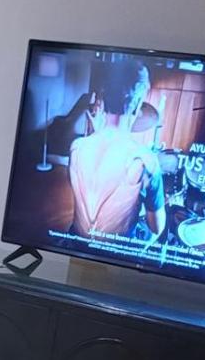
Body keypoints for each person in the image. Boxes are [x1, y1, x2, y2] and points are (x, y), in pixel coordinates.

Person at [67, 60, 168, 244]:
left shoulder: (77, 147)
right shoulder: (147, 160)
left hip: (74, 247)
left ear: (103, 99)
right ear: (138, 105)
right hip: (114, 255)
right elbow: (157, 227)